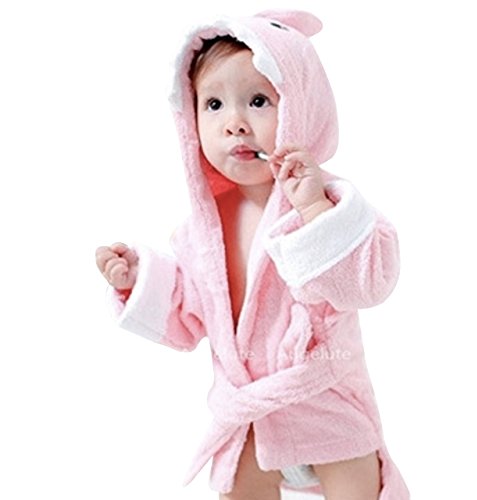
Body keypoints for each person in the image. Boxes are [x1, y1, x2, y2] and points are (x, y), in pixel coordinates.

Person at [95, 10, 409, 500]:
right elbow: (189, 315)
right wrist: (138, 281)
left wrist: (313, 211)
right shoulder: (201, 231)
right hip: (250, 414)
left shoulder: (330, 204)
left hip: (326, 403)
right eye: (213, 104)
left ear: (301, 108)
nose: (235, 124)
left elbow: (368, 284)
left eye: (258, 101)